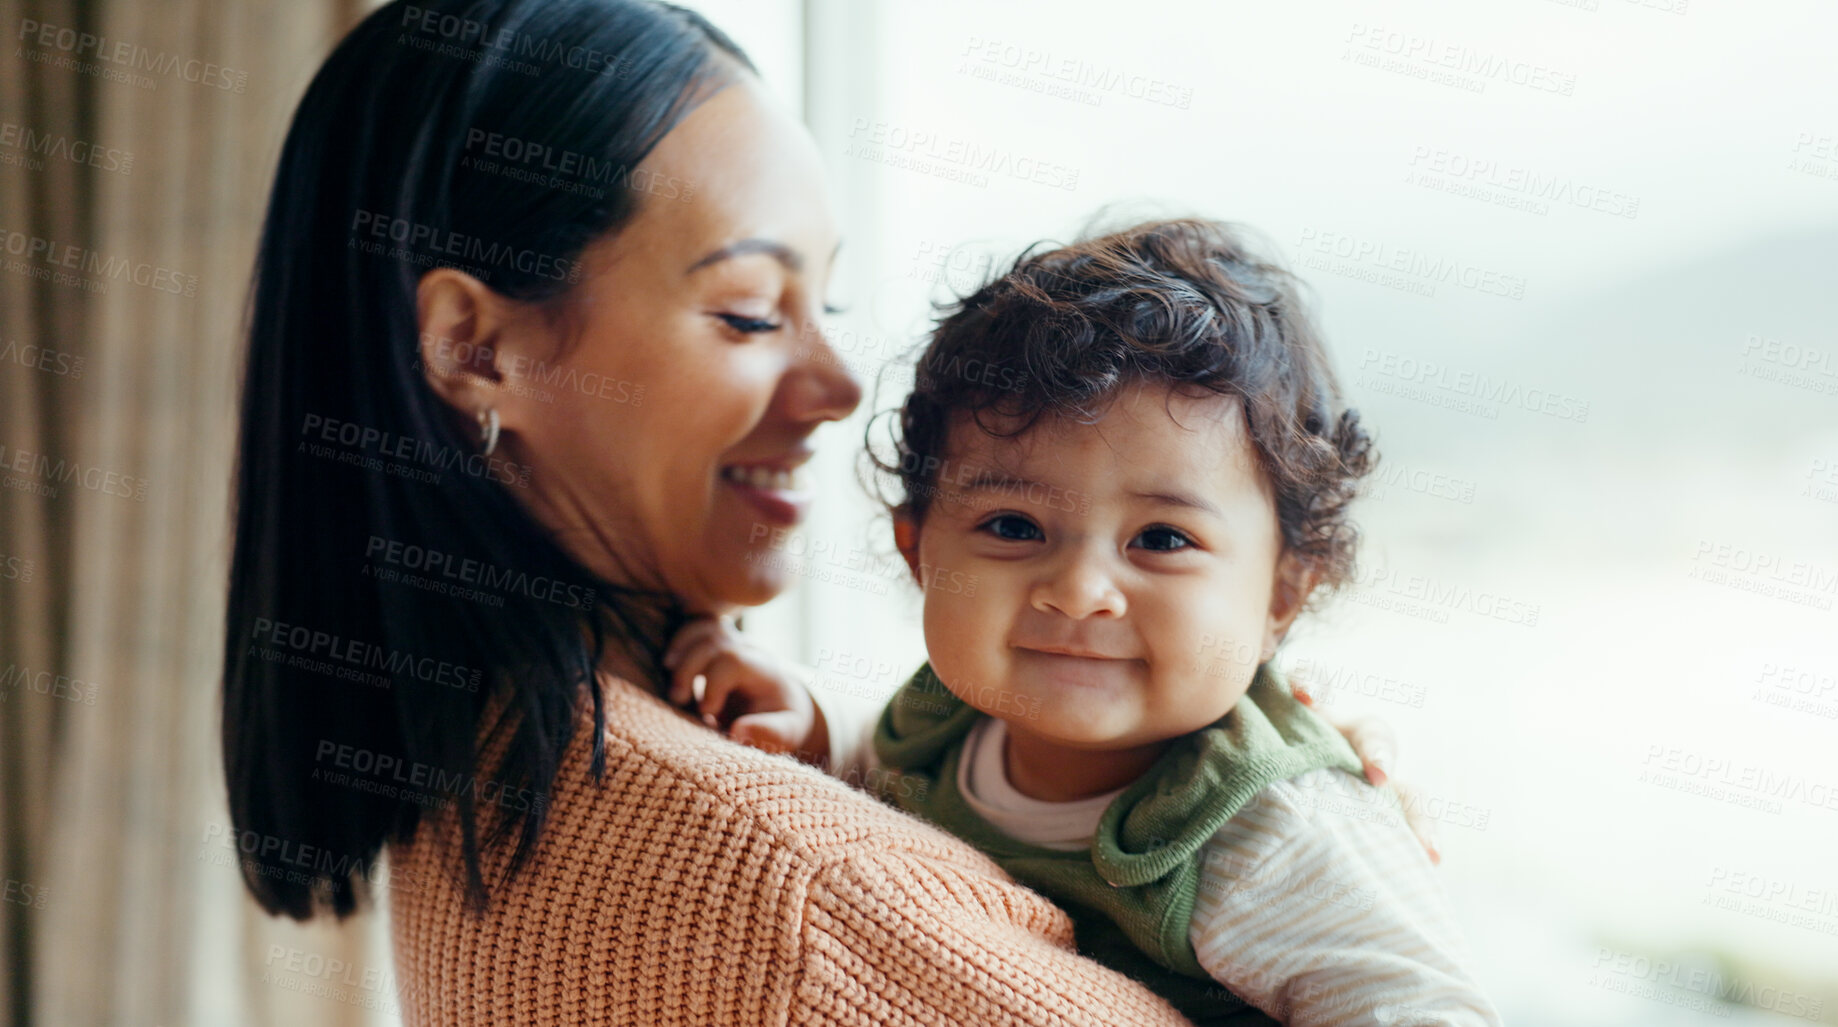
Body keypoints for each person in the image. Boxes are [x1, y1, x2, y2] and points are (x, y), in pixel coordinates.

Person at [221, 2, 1416, 1023]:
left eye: (828, 303)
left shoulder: (483, 765)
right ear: (478, 347)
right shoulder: (794, 892)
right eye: (748, 313)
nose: (844, 385)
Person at [670, 220, 1498, 1025]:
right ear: (916, 548)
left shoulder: (1267, 831)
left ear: (1281, 594)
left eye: (1162, 539)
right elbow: (889, 777)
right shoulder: (945, 724)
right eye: (1012, 527)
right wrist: (814, 720)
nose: (1077, 591)